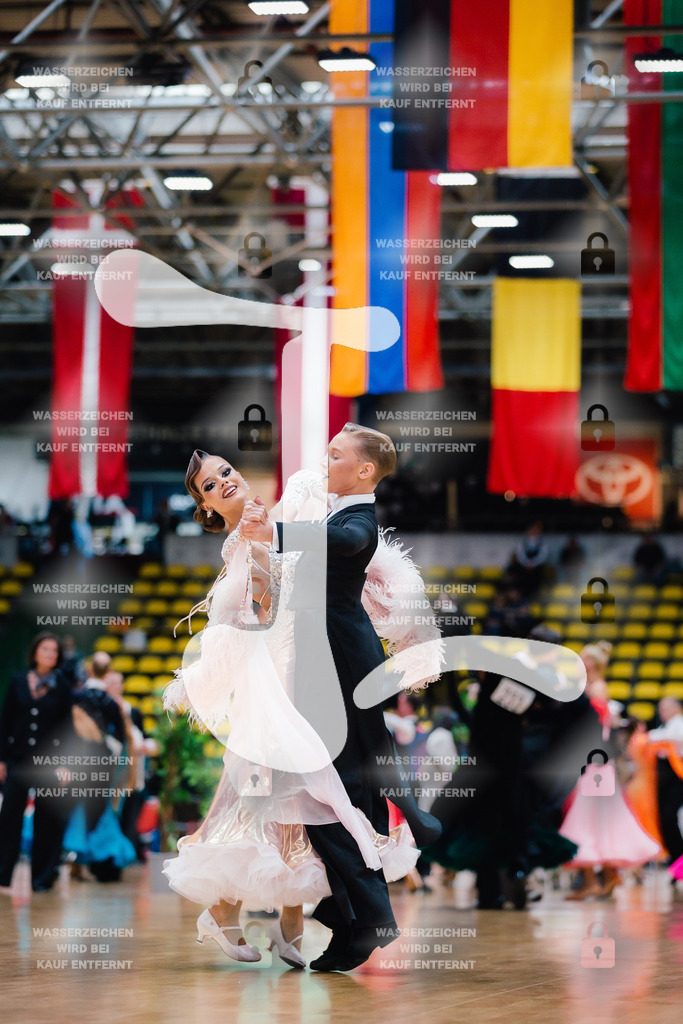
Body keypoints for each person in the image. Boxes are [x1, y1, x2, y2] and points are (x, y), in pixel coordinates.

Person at [162, 438, 440, 970]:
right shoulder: (241, 546)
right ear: (206, 507)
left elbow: (352, 542)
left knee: (312, 802)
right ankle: (249, 914)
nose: (224, 482)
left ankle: (316, 919)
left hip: (322, 672)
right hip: (284, 688)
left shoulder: (293, 507)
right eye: (210, 486)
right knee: (279, 801)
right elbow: (252, 618)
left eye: (225, 472)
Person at [241, 424, 443, 970]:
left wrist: (275, 532)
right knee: (338, 793)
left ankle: (366, 916)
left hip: (341, 668)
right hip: (326, 667)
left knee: (334, 794)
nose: (324, 461)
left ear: (364, 471)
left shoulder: (356, 520)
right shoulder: (337, 512)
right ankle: (360, 914)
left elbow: (350, 542)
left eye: (335, 454)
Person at [559, 643, 661, 899]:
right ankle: (606, 875)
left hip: (593, 761)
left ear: (592, 664)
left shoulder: (595, 688)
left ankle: (594, 879)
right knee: (595, 818)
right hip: (596, 761)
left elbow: (592, 725)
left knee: (586, 818)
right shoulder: (591, 688)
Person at [0, 633, 74, 892]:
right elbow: (5, 720)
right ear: (35, 652)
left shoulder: (63, 685)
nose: (50, 654)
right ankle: (2, 875)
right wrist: (1, 759)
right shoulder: (17, 680)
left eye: (54, 651)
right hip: (18, 761)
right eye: (45, 649)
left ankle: (41, 879)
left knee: (47, 821)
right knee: (8, 816)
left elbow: (67, 728)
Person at [62, 652, 136, 882]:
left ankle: (80, 856)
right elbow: (121, 739)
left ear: (90, 669)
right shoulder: (110, 703)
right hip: (104, 767)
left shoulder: (79, 697)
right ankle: (87, 856)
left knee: (83, 809)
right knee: (99, 809)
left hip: (81, 765)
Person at [647, 698, 683, 863]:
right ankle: (676, 860)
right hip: (665, 779)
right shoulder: (665, 727)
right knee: (664, 819)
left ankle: (678, 859)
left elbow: (663, 739)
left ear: (676, 708)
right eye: (660, 709)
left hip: (677, 778)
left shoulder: (679, 725)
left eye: (665, 709)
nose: (662, 713)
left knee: (669, 817)